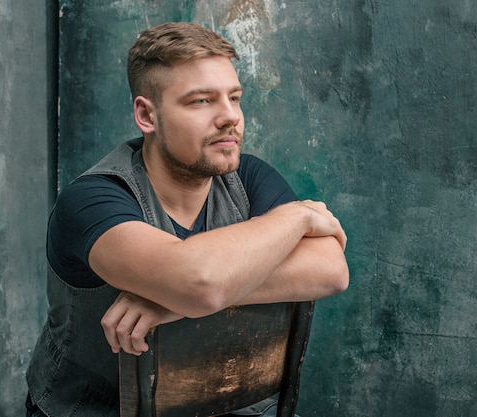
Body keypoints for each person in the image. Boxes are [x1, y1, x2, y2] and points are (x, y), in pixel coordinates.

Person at [25, 21, 349, 417]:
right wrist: (300, 216)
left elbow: (332, 269)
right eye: (201, 101)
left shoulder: (246, 177)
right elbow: (200, 283)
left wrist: (174, 304)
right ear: (147, 115)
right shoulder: (92, 199)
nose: (230, 117)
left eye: (235, 97)